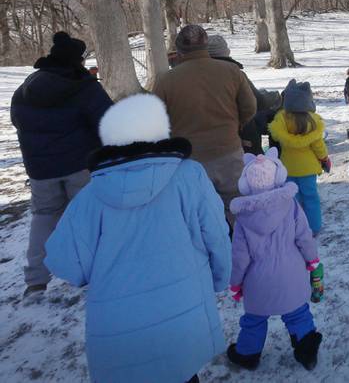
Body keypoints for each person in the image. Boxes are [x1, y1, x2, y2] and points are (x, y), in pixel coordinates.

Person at [44, 94, 232, 383]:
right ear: (159, 130)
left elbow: (65, 263)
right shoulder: (190, 176)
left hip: (119, 329)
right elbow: (216, 235)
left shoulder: (90, 196)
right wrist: (220, 278)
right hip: (182, 311)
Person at [10, 31, 112, 297]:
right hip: (81, 165)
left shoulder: (26, 89)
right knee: (89, 218)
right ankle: (96, 271)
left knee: (43, 218)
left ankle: (35, 280)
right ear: (76, 60)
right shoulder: (85, 87)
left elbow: (17, 121)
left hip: (40, 170)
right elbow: (108, 123)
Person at [227, 150, 323, 372]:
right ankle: (306, 351)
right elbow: (304, 236)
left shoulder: (243, 217)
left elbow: (240, 255)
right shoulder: (290, 205)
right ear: (278, 175)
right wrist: (312, 260)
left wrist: (236, 282)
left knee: (254, 320)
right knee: (298, 313)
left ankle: (248, 354)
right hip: (292, 274)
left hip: (257, 280)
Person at [153, 25, 257, 225]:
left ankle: (211, 253)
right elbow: (250, 107)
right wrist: (235, 126)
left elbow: (155, 121)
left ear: (179, 50)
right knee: (239, 211)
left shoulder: (166, 80)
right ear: (206, 44)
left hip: (190, 161)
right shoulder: (231, 71)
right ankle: (244, 251)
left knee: (200, 216)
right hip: (229, 153)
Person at [269, 79, 330, 235]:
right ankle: (314, 227)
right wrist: (324, 159)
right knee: (311, 198)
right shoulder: (312, 121)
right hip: (308, 169)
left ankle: (296, 227)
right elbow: (318, 146)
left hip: (288, 168)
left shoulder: (281, 120)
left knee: (293, 200)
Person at [208, 35, 281, 155]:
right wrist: (275, 96)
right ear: (225, 52)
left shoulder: (197, 76)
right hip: (238, 135)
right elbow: (258, 101)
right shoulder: (234, 73)